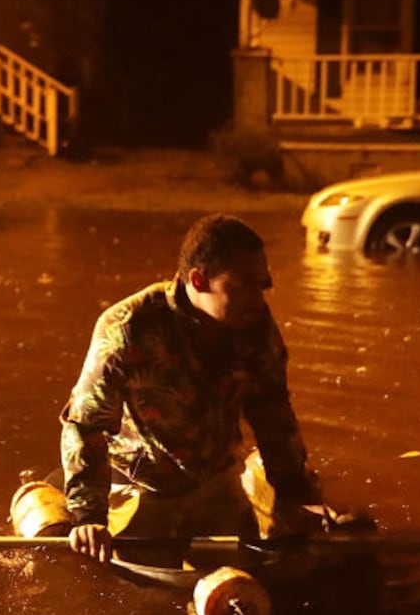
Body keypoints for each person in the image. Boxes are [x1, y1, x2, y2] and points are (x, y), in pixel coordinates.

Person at [59, 214, 328, 562]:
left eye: (262, 285)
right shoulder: (127, 328)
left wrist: (295, 495)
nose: (258, 300)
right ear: (199, 280)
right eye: (244, 286)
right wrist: (88, 517)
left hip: (217, 482)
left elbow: (272, 412)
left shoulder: (255, 325)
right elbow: (86, 425)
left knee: (270, 569)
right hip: (143, 488)